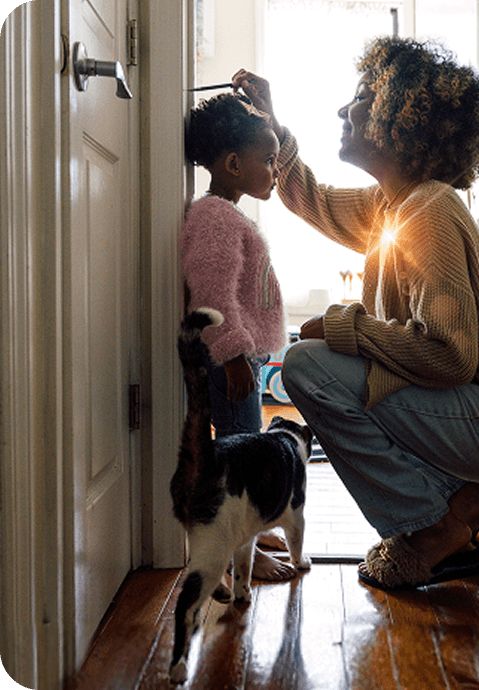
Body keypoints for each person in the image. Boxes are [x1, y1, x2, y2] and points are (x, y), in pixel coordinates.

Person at [232, 36, 479, 590]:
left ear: (403, 115)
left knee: (306, 366)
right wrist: (274, 125)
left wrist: (347, 326)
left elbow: (450, 358)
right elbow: (311, 197)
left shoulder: (428, 211)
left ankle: (436, 527)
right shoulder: (391, 205)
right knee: (333, 369)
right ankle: (460, 505)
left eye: (361, 98)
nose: (343, 111)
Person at [183, 92, 295, 581]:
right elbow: (211, 292)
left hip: (242, 358)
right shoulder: (215, 218)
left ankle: (248, 534)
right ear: (233, 163)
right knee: (240, 457)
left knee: (245, 449)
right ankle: (233, 554)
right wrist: (230, 356)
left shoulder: (226, 213)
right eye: (269, 161)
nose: (276, 170)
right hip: (229, 359)